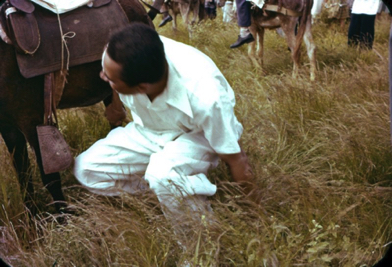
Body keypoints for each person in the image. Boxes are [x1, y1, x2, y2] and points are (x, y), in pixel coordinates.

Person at [73, 23, 254, 247]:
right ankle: (169, 193)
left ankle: (203, 245)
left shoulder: (206, 96)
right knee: (86, 169)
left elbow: (237, 159)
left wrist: (253, 218)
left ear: (141, 87)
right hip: (148, 130)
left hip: (198, 134)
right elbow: (111, 70)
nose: (103, 77)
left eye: (111, 80)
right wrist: (114, 103)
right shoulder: (118, 55)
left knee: (164, 174)